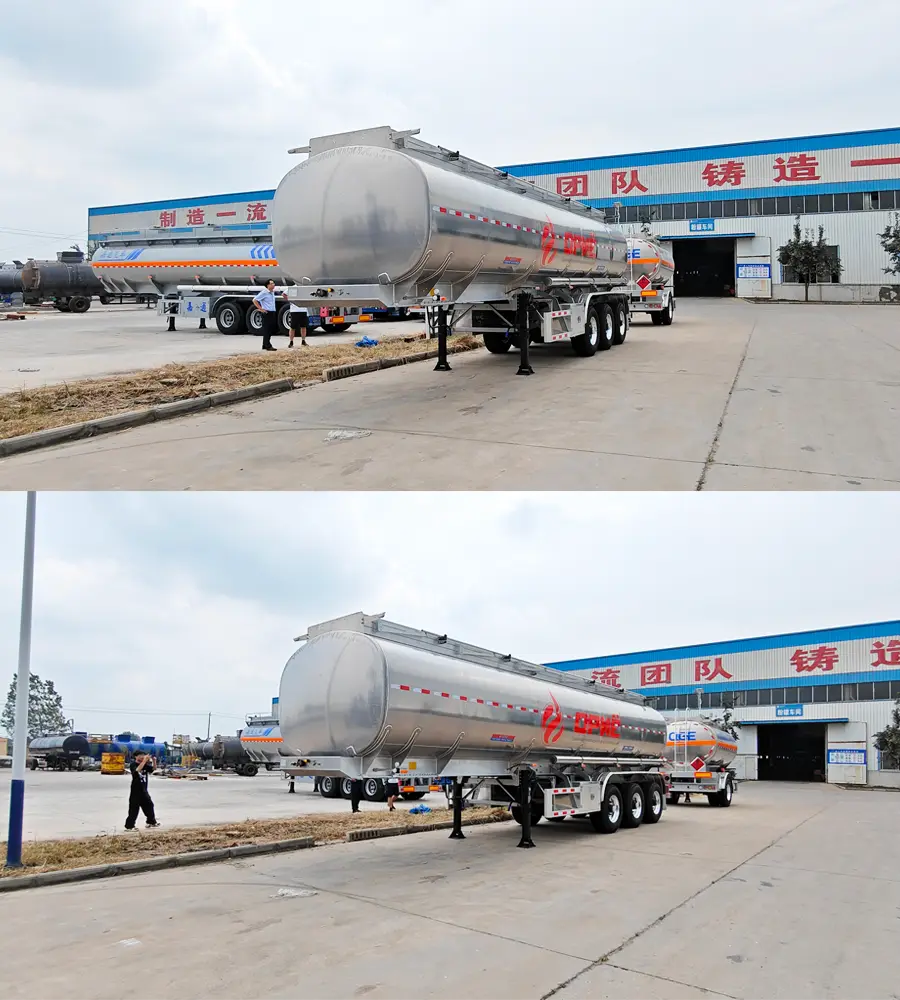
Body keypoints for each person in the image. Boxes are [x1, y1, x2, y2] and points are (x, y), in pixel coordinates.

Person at [125, 751, 160, 830]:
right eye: (140, 756)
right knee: (134, 809)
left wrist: (154, 761)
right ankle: (129, 826)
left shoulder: (145, 765)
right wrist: (144, 761)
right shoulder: (133, 765)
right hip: (136, 790)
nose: (142, 757)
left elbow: (153, 769)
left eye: (143, 756)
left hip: (144, 790)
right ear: (136, 757)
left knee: (149, 805)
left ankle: (151, 822)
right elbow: (137, 771)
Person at [252, 279, 278, 351]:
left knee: (270, 329)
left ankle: (264, 344)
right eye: (272, 283)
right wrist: (261, 309)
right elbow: (255, 300)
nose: (273, 285)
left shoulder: (272, 292)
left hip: (272, 312)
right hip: (267, 313)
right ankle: (268, 345)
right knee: (267, 329)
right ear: (268, 285)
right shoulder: (264, 292)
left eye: (273, 283)